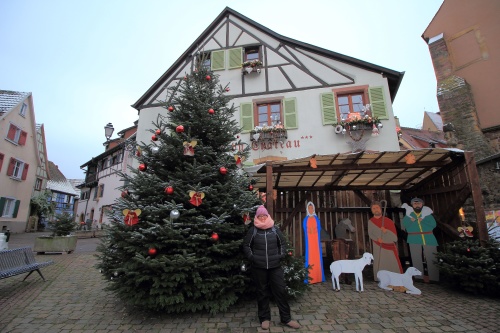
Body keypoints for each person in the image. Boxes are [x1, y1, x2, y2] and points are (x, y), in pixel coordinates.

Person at [242, 205, 301, 330]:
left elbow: (283, 244)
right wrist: (252, 257)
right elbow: (246, 245)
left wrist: (281, 255)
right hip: (259, 266)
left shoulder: (275, 229)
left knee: (280, 291)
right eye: (260, 216)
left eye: (264, 215)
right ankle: (264, 318)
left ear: (267, 216)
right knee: (262, 292)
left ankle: (286, 318)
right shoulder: (253, 230)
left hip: (275, 266)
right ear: (257, 217)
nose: (262, 217)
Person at [402, 197, 439, 282]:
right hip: (414, 238)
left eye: (419, 203)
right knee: (416, 258)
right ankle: (418, 277)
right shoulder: (409, 214)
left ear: (422, 204)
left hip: (428, 238)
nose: (417, 205)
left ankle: (434, 277)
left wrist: (423, 220)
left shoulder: (427, 214)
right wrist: (411, 221)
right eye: (415, 204)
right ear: (412, 205)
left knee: (431, 257)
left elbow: (433, 225)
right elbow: (405, 225)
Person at [368, 201, 403, 281]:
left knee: (390, 261)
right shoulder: (370, 222)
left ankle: (394, 277)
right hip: (377, 244)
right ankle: (379, 278)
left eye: (377, 208)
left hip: (388, 246)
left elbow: (394, 238)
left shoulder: (388, 221)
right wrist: (377, 239)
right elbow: (370, 234)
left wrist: (386, 231)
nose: (375, 210)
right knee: (379, 261)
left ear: (380, 209)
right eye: (373, 208)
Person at [302, 201, 325, 284]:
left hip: (316, 241)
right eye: (309, 208)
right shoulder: (305, 219)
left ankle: (318, 277)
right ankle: (309, 278)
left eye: (312, 208)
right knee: (310, 257)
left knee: (317, 257)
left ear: (314, 209)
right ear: (307, 209)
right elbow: (305, 229)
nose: (311, 210)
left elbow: (319, 229)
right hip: (309, 241)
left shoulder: (316, 219)